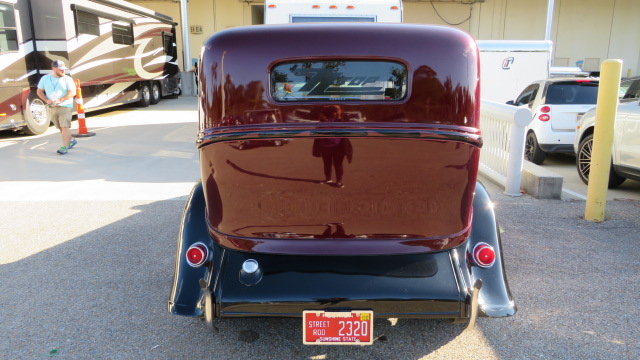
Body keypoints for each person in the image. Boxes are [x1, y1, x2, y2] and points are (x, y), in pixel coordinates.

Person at [37, 60, 77, 155]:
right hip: (52, 107)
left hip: (65, 106)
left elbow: (72, 92)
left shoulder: (67, 79)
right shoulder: (45, 79)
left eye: (64, 69)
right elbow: (39, 91)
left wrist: (60, 100)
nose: (63, 71)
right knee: (60, 127)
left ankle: (64, 147)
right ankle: (71, 140)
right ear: (54, 69)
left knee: (64, 126)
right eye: (61, 69)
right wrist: (47, 100)